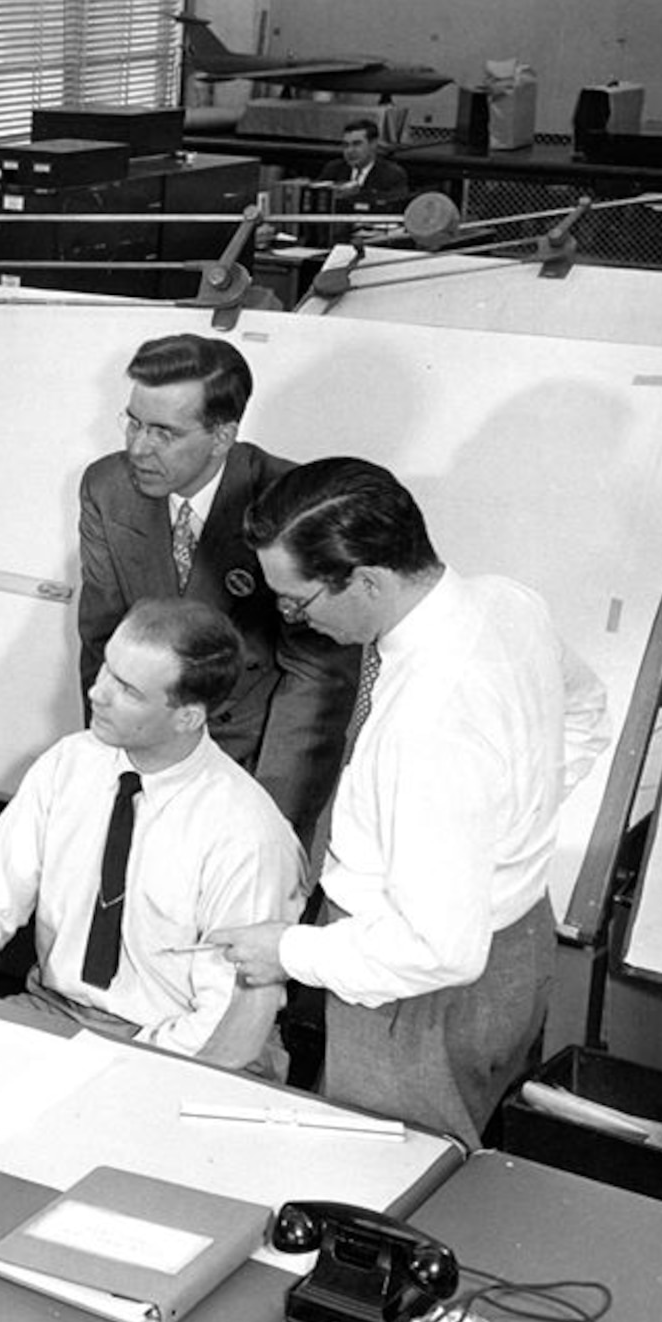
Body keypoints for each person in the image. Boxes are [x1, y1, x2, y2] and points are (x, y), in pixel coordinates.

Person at [215, 458, 610, 1146]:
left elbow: (438, 950)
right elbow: (587, 712)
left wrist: (289, 952)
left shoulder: (428, 721)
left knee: (379, 1191)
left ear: (367, 579)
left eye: (298, 602)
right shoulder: (506, 602)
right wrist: (505, 823)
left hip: (414, 993)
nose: (291, 619)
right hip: (513, 945)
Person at [0, 599, 304, 1071]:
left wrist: (106, 1074)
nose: (97, 693)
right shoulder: (70, 763)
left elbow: (227, 1029)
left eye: (127, 689)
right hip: (55, 1012)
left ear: (188, 717)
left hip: (182, 1047)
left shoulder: (247, 834)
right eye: (106, 669)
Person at [78, 334, 358, 848]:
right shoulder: (106, 488)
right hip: (148, 748)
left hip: (251, 761)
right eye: (134, 422)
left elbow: (316, 683)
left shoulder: (292, 503)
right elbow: (103, 637)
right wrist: (110, 759)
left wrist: (272, 826)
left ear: (223, 436)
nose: (138, 448)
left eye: (164, 432)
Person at [319, 119, 411, 213]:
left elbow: (394, 208)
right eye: (346, 145)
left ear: (373, 144)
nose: (350, 151)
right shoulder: (333, 169)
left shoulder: (393, 174)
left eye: (357, 144)